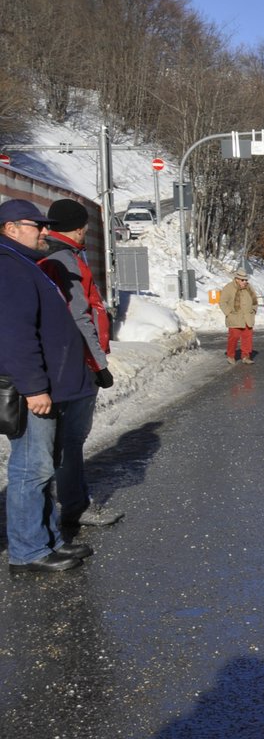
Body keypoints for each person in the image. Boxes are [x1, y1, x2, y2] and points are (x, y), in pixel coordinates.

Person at [0, 199, 93, 573]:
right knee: (31, 468)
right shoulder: (9, 268)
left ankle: (48, 540)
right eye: (35, 225)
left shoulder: (23, 264)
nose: (44, 231)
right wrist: (35, 387)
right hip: (33, 392)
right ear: (10, 228)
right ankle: (28, 550)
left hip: (50, 388)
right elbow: (14, 336)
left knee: (43, 466)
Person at [39, 198, 123, 536]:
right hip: (76, 364)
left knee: (61, 441)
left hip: (62, 362)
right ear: (79, 228)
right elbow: (79, 315)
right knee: (71, 440)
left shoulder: (50, 256)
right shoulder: (67, 261)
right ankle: (74, 506)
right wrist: (99, 364)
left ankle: (61, 504)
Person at [218, 270, 259, 363]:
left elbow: (254, 301)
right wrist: (228, 313)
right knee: (234, 337)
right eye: (242, 280)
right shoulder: (229, 288)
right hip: (235, 317)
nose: (245, 282)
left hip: (248, 317)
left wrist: (253, 310)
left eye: (245, 280)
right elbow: (222, 302)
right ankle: (231, 356)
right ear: (236, 279)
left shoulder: (249, 287)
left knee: (247, 337)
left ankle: (246, 356)